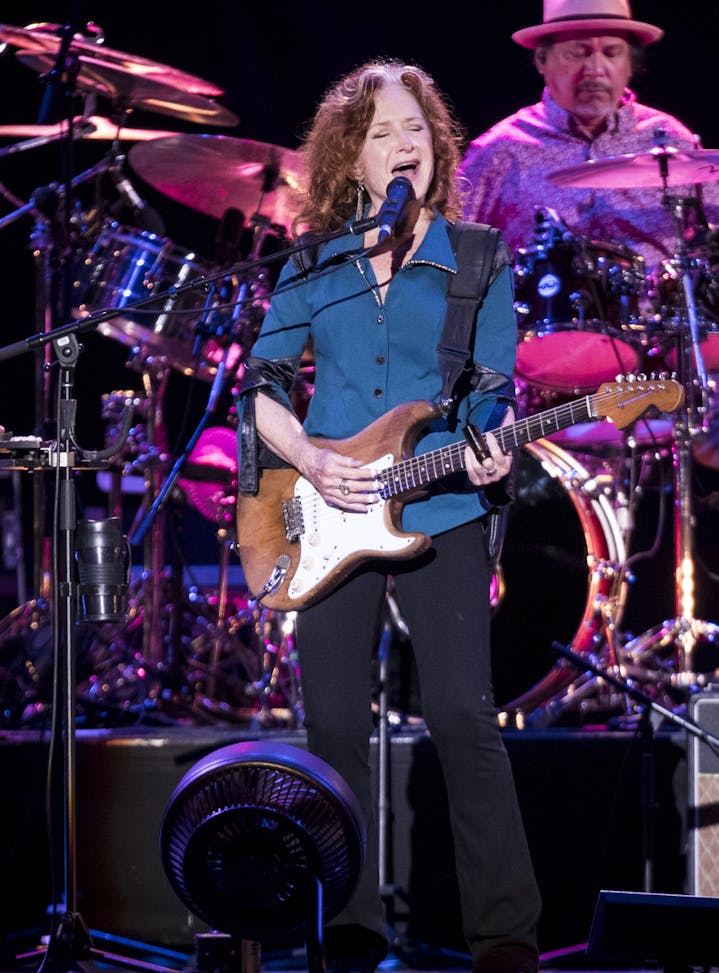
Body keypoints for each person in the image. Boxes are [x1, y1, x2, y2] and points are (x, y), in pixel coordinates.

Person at [235, 59, 541, 973]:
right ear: (351, 161)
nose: (403, 144)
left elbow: (491, 394)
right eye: (381, 134)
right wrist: (313, 461)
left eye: (415, 129)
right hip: (322, 511)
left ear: (435, 146)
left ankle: (505, 935)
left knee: (461, 713)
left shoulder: (476, 257)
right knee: (331, 726)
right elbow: (262, 389)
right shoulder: (313, 262)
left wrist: (492, 446)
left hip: (440, 505)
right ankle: (348, 927)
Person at [459, 0, 719, 642]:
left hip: (663, 376)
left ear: (629, 62)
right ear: (542, 59)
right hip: (548, 395)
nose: (595, 66)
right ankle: (539, 649)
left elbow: (718, 255)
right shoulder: (496, 155)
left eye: (610, 51)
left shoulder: (670, 141)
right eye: (577, 50)